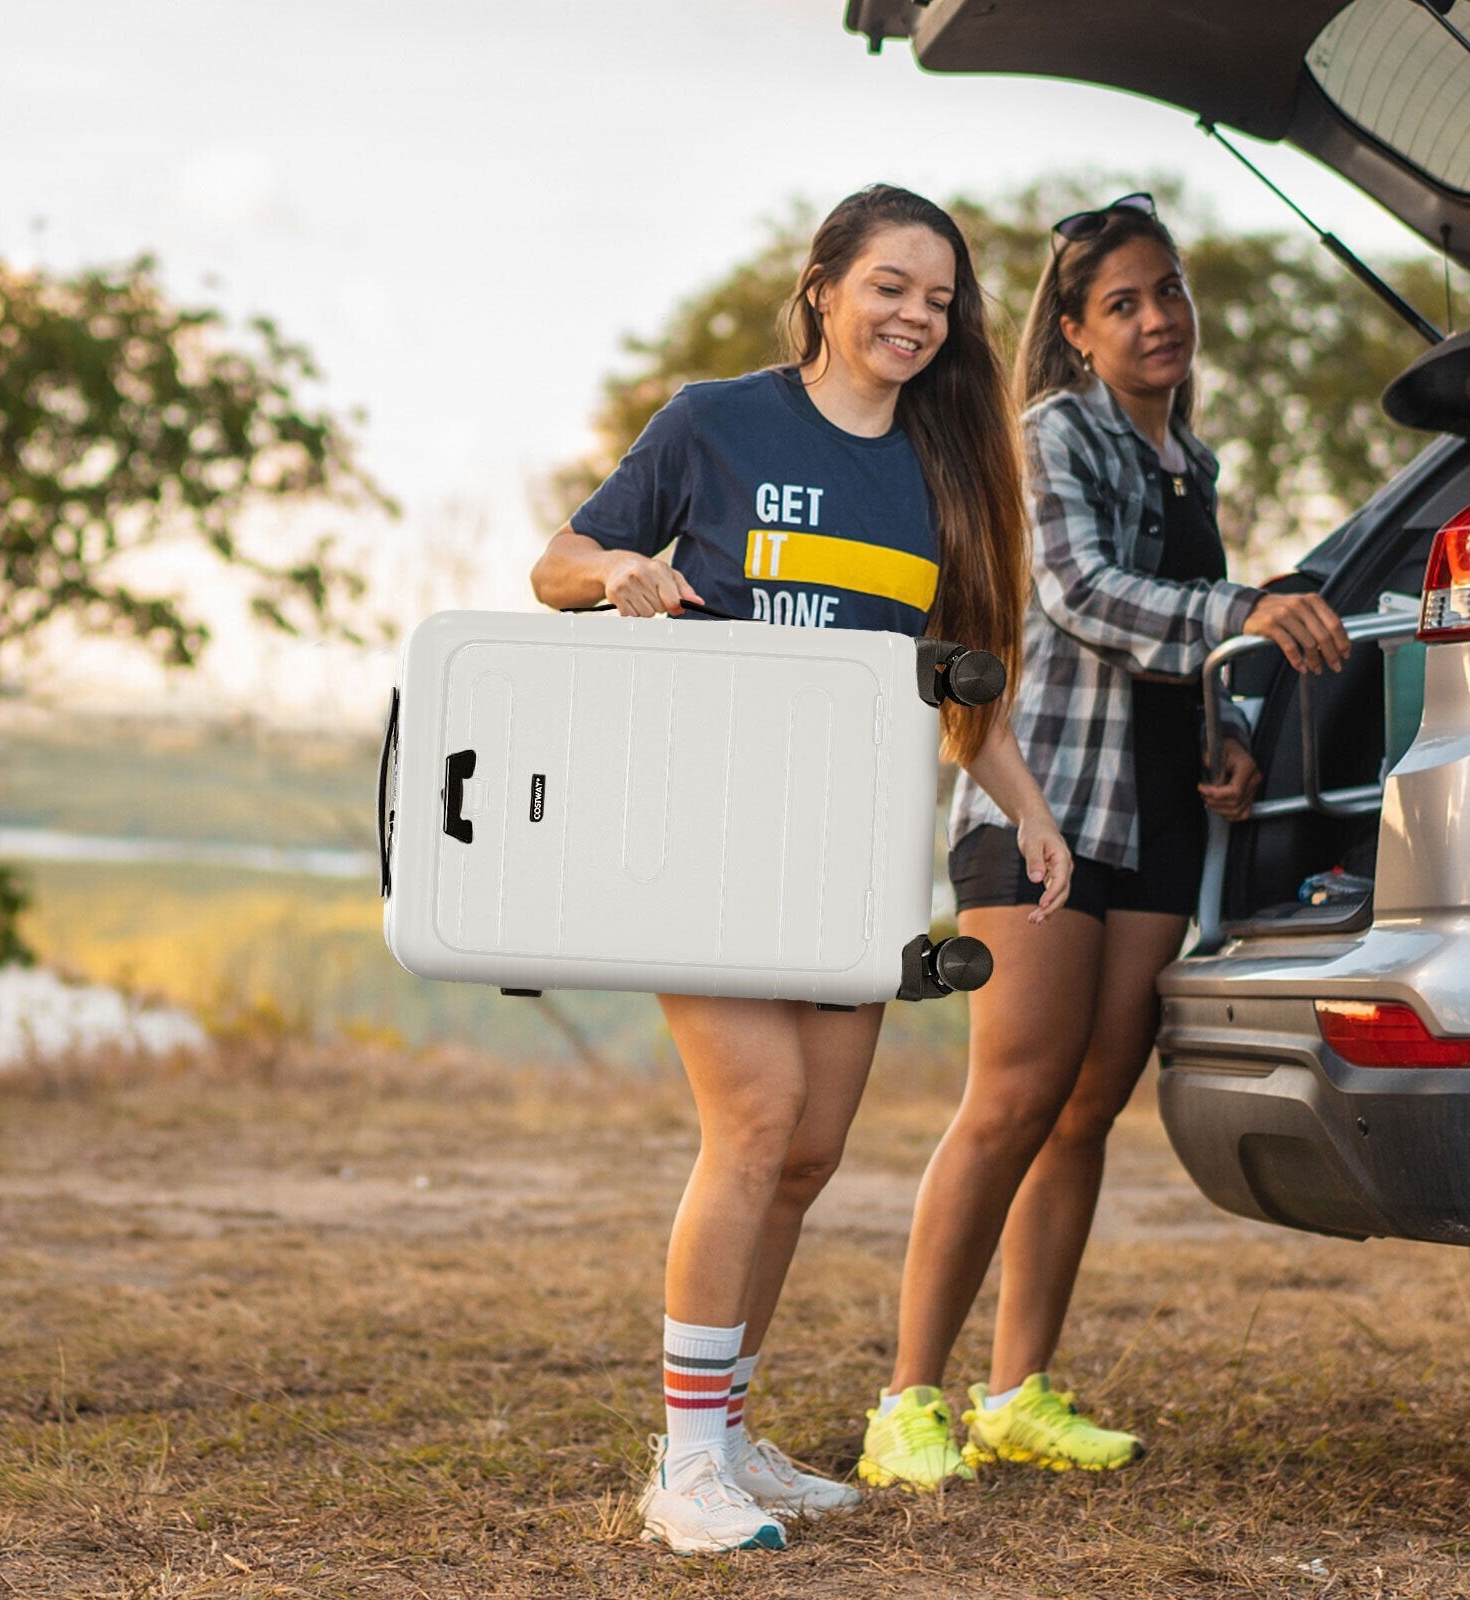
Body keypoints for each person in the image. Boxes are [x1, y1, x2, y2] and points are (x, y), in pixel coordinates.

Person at [529, 184, 1073, 1554]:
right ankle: (684, 1466)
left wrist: (1029, 809)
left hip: (853, 850)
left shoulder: (947, 466)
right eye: (892, 285)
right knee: (758, 1116)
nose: (916, 316)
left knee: (811, 1152)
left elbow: (959, 687)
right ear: (824, 285)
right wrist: (616, 576)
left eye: (940, 301)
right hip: (698, 832)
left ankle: (734, 1432)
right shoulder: (715, 421)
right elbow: (555, 561)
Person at [857, 192, 1352, 1490]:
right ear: (1075, 331)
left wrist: (1227, 731)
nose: (1158, 319)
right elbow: (1077, 593)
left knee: (1085, 1109)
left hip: (1159, 816)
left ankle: (1015, 1394)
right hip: (1042, 810)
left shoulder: (1192, 461)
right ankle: (905, 1400)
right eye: (1124, 303)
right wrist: (1246, 607)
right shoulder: (1050, 435)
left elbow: (1186, 648)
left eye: (1169, 292)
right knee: (1011, 1099)